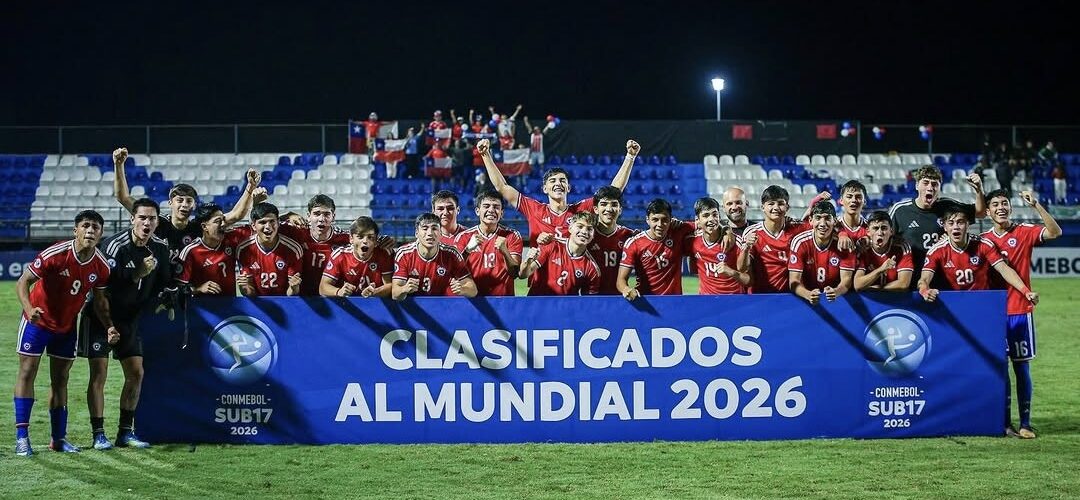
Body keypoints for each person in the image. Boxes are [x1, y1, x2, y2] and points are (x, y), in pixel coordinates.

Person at [13, 210, 116, 456]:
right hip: (37, 322)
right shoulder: (55, 254)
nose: (90, 230)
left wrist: (109, 325)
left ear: (101, 234)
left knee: (61, 380)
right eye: (86, 226)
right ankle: (21, 438)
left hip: (67, 326)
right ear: (76, 230)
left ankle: (58, 439)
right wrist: (29, 310)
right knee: (27, 372)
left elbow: (100, 302)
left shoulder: (101, 266)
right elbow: (23, 282)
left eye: (96, 227)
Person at [79, 198, 172, 450]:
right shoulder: (115, 246)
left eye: (152, 218)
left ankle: (125, 433)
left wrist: (170, 296)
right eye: (142, 217)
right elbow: (101, 290)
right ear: (132, 219)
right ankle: (98, 433)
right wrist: (136, 274)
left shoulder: (161, 248)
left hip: (130, 320)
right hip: (100, 316)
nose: (147, 223)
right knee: (99, 374)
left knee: (136, 373)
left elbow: (165, 282)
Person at [981, 189, 1062, 438]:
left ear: (1010, 208)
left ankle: (1025, 423)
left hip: (1019, 310)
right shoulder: (982, 240)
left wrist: (1037, 205)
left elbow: (1055, 232)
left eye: (1004, 203)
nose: (1001, 208)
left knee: (1021, 368)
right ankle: (1004, 422)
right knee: (999, 369)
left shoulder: (1024, 231)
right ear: (988, 211)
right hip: (993, 314)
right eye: (995, 204)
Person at [112, 147, 261, 271]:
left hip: (188, 285)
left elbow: (236, 215)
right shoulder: (156, 222)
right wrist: (119, 165)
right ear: (170, 203)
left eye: (189, 201)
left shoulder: (199, 226)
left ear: (194, 205)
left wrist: (250, 187)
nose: (184, 204)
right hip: (156, 282)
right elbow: (123, 198)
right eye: (179, 200)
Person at [478, 138, 639, 246]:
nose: (558, 184)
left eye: (562, 181)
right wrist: (486, 155)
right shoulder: (534, 209)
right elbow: (502, 187)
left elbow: (613, 191)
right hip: (540, 286)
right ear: (544, 188)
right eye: (552, 181)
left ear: (568, 188)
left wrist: (630, 157)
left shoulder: (581, 210)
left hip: (572, 288)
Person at [888, 165, 985, 288]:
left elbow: (980, 213)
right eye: (926, 183)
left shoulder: (948, 206)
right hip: (910, 277)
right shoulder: (900, 210)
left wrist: (979, 190)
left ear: (939, 187)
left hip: (944, 277)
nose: (930, 188)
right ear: (917, 185)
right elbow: (886, 240)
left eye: (934, 184)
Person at [918, 203, 1035, 301]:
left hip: (983, 301)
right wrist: (924, 290)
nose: (956, 227)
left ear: (968, 225)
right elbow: (924, 279)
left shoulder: (984, 244)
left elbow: (1004, 269)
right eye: (951, 223)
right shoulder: (936, 251)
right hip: (955, 303)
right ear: (945, 227)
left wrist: (1025, 291)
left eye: (960, 222)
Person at [617, 198, 696, 299]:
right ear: (647, 220)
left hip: (674, 302)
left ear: (671, 219)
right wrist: (626, 289)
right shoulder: (634, 243)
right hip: (647, 301)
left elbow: (704, 225)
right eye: (655, 220)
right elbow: (620, 281)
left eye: (664, 220)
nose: (660, 224)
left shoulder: (678, 231)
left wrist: (723, 230)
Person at [737, 185, 810, 294]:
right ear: (763, 207)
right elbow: (741, 269)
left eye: (780, 203)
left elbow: (824, 226)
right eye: (771, 204)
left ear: (787, 207)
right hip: (760, 297)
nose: (776, 208)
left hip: (790, 297)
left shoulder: (797, 229)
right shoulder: (752, 232)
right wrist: (746, 247)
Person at [453, 190, 524, 296]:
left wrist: (505, 252)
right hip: (473, 301)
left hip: (504, 302)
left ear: (502, 213)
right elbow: (454, 271)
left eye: (496, 207)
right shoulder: (463, 237)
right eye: (486, 206)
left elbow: (514, 274)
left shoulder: (512, 235)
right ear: (477, 211)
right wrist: (467, 250)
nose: (491, 210)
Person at [278, 195, 351, 296]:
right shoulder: (298, 230)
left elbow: (369, 240)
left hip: (332, 296)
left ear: (333, 217)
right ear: (308, 216)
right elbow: (266, 224)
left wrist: (381, 242)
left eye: (327, 214)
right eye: (316, 214)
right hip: (301, 295)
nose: (321, 219)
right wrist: (288, 215)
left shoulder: (344, 237)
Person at [392, 213, 477, 300]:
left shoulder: (452, 254)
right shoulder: (404, 253)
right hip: (413, 307)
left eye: (434, 228)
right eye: (425, 228)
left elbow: (473, 290)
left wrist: (463, 289)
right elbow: (395, 294)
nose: (430, 233)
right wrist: (404, 289)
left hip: (442, 306)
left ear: (440, 233)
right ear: (416, 233)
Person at [788, 200, 856, 305]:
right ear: (810, 220)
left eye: (827, 218)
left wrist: (836, 292)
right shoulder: (800, 242)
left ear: (835, 221)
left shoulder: (844, 244)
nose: (823, 224)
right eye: (818, 218)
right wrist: (807, 294)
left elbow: (846, 282)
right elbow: (793, 281)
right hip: (804, 302)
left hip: (837, 302)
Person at [520, 212, 602, 296]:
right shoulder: (552, 245)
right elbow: (523, 275)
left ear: (593, 235)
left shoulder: (592, 269)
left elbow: (589, 303)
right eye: (580, 226)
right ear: (570, 228)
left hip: (564, 308)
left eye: (589, 229)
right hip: (537, 305)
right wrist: (528, 261)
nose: (584, 232)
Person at [178, 203, 249, 295]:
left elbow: (256, 229)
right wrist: (198, 289)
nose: (223, 224)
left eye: (223, 220)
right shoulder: (191, 251)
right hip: (202, 307)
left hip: (230, 306)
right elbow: (179, 288)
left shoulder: (231, 239)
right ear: (204, 227)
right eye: (217, 221)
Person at [236, 202, 304, 297]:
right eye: (262, 222)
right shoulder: (244, 249)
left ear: (278, 222)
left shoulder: (293, 250)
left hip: (286, 302)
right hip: (259, 303)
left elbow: (291, 293)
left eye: (272, 221)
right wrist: (244, 288)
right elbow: (250, 291)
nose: (268, 227)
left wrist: (294, 288)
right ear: (253, 226)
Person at [320, 216, 394, 298]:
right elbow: (323, 287)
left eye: (370, 237)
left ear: (376, 241)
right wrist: (339, 291)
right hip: (349, 305)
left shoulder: (384, 253)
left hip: (377, 304)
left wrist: (375, 292)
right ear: (351, 239)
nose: (365, 241)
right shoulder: (340, 255)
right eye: (360, 237)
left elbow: (391, 285)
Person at [688, 197, 747, 294]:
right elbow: (693, 270)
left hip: (734, 301)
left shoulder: (735, 242)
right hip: (707, 302)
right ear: (697, 220)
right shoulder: (692, 240)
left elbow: (749, 280)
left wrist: (731, 272)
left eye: (715, 214)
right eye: (706, 215)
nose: (711, 219)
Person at [586, 186, 638, 295]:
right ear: (595, 209)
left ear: (620, 209)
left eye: (614, 204)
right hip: (590, 299)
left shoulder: (629, 236)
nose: (609, 209)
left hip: (619, 298)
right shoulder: (585, 235)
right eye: (604, 204)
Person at [853, 210, 914, 291]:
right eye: (875, 228)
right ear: (868, 231)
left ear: (891, 231)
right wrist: (881, 269)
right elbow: (857, 285)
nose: (880, 233)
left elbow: (904, 284)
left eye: (884, 228)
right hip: (869, 301)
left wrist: (874, 289)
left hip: (895, 300)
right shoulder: (863, 247)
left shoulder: (902, 247)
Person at [835, 180, 868, 251]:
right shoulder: (832, 227)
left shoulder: (870, 229)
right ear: (841, 201)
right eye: (849, 197)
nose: (853, 200)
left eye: (858, 197)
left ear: (864, 201)